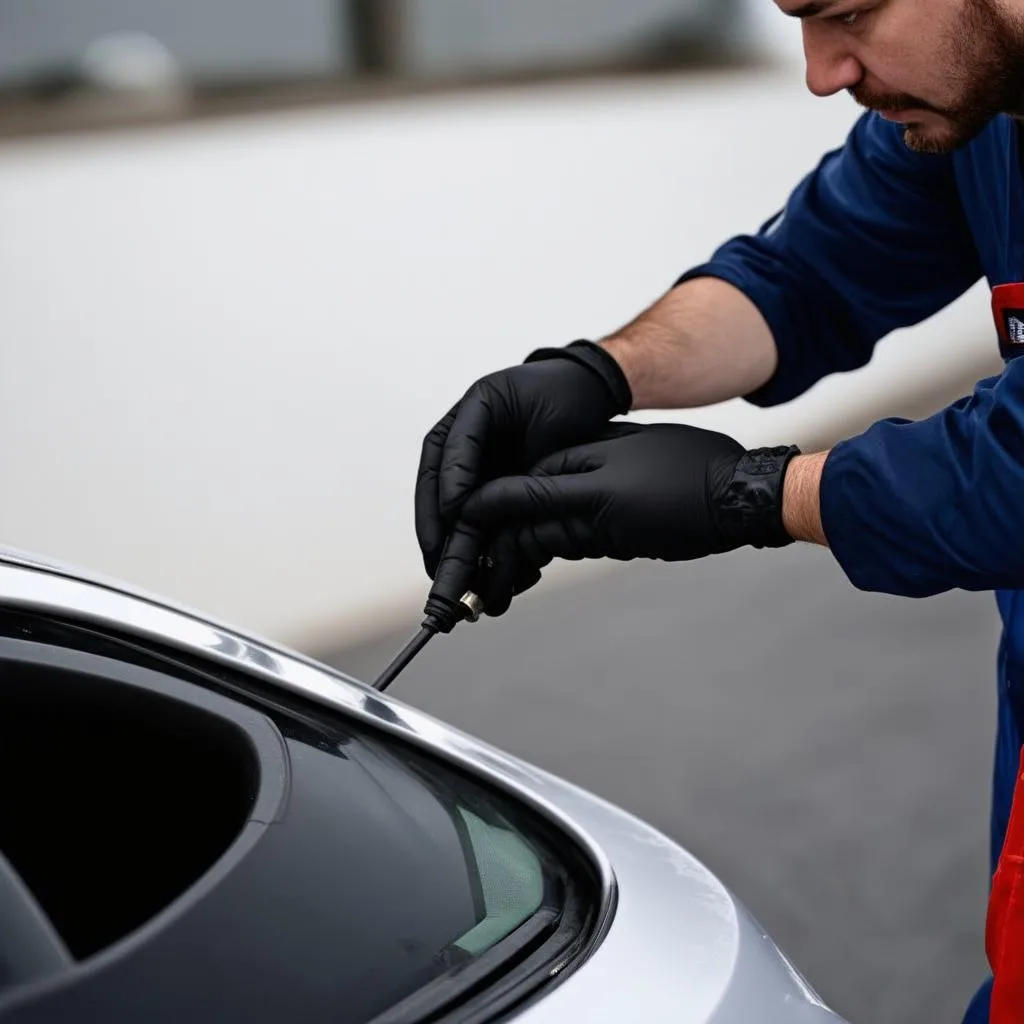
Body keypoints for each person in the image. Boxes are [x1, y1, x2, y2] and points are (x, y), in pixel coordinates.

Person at [414, 2, 1024, 1020]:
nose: (822, 72)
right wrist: (595, 370)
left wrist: (751, 494)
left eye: (847, 13)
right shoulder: (986, 107)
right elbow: (803, 275)